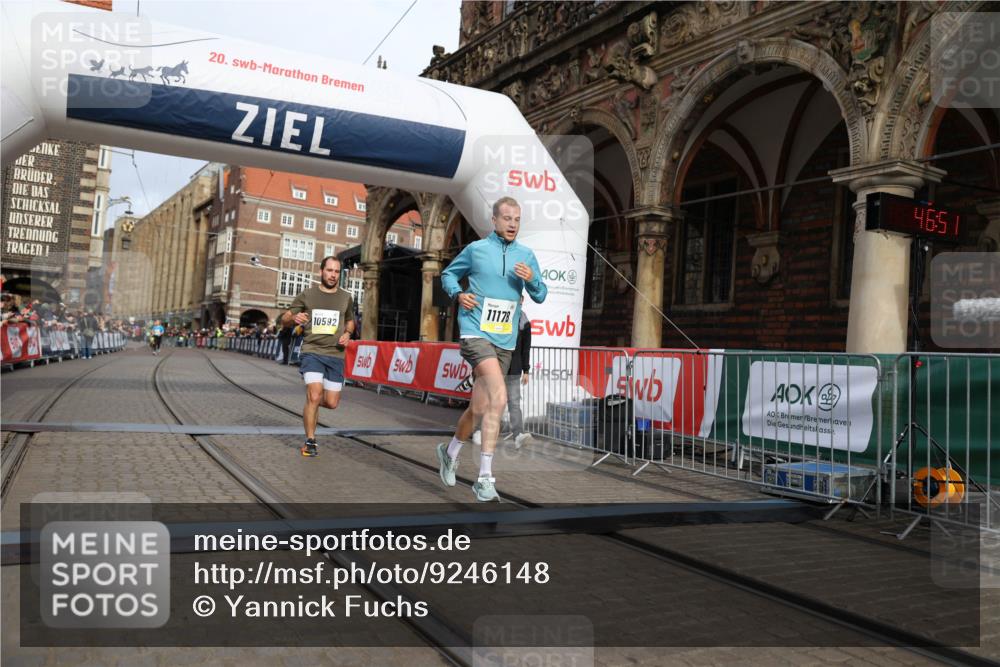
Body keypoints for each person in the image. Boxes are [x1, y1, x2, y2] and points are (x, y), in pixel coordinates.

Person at [437, 197, 547, 502]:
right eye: (507, 218)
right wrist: (459, 294)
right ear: (494, 220)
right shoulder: (476, 250)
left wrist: (532, 279)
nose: (512, 224)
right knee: (499, 397)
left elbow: (540, 294)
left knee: (480, 408)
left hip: (504, 339)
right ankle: (484, 477)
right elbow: (448, 274)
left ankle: (449, 453)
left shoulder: (526, 255)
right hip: (474, 331)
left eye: (517, 219)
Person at [281, 256, 355, 458]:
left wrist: (348, 333)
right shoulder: (308, 295)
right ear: (321, 271)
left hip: (335, 355)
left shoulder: (346, 297)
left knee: (331, 402)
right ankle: (310, 441)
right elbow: (284, 319)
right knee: (314, 395)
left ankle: (311, 404)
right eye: (329, 270)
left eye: (336, 272)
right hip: (312, 351)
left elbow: (350, 322)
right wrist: (294, 318)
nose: (332, 275)